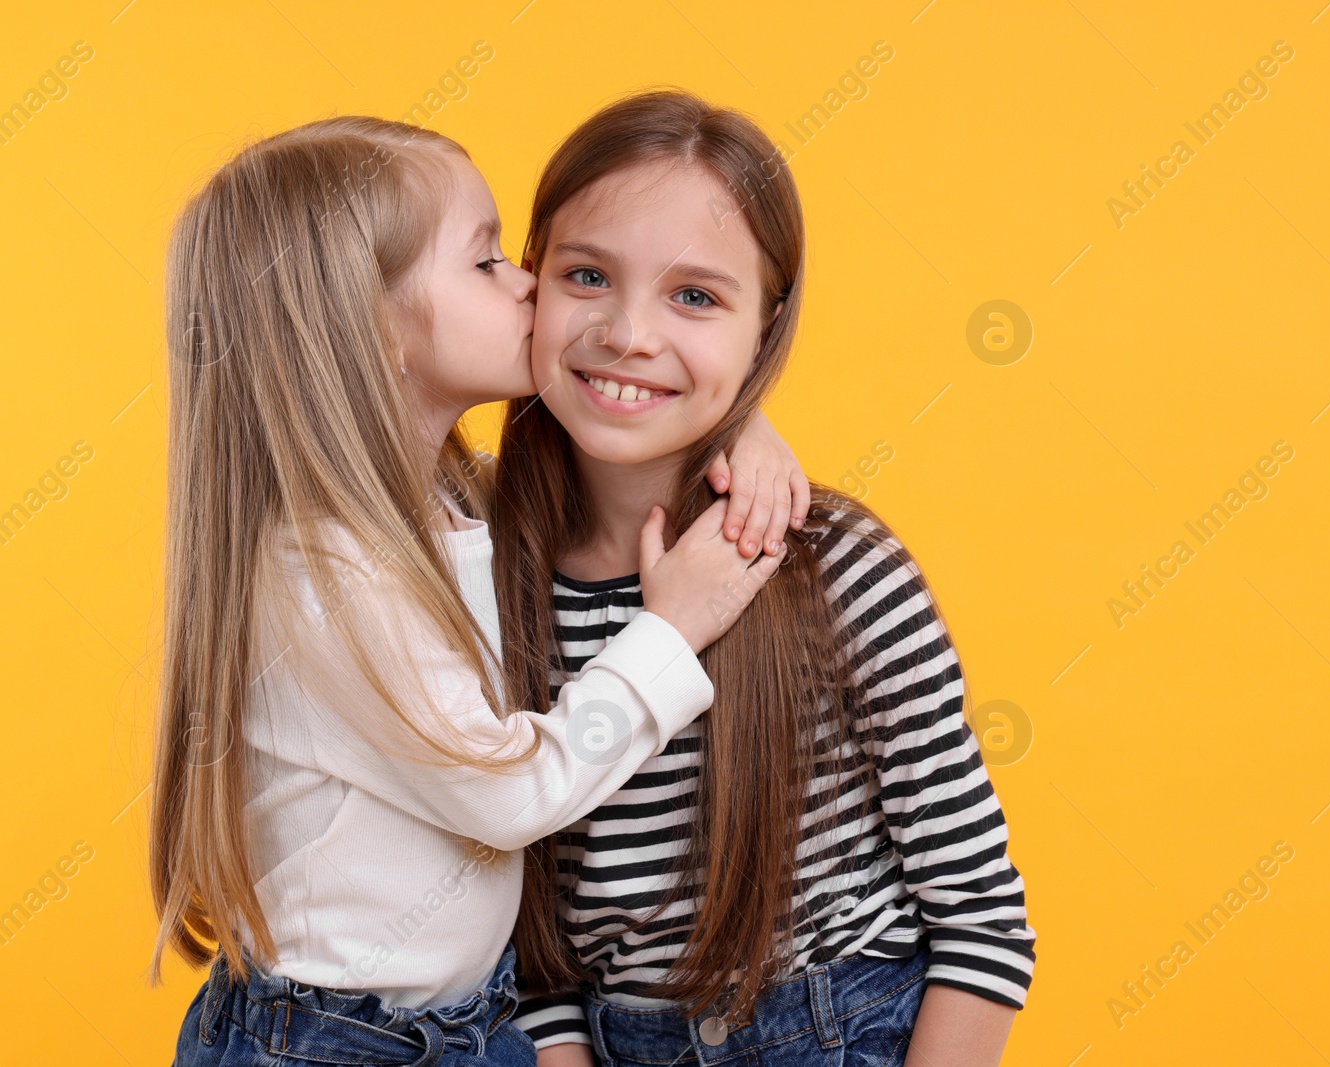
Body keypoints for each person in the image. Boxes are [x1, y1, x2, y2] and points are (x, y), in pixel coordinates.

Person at [151, 115, 808, 1066]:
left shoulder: (451, 504)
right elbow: (512, 791)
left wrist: (740, 429)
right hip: (332, 1044)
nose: (529, 283)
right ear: (374, 328)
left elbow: (607, 459)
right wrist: (674, 627)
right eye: (486, 260)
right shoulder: (323, 576)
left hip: (460, 1022)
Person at [497, 91, 1035, 1067]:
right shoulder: (476, 579)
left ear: (767, 326)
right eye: (585, 275)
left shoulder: (835, 569)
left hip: (843, 1030)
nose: (627, 333)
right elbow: (531, 963)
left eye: (694, 296)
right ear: (528, 283)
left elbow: (981, 918)